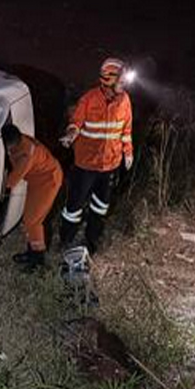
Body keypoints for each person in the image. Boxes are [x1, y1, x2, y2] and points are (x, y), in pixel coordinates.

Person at [58, 57, 134, 252]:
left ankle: (91, 241)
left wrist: (128, 154)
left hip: (110, 165)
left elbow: (126, 130)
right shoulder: (89, 99)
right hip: (86, 165)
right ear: (108, 80)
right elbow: (76, 123)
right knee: (74, 206)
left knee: (100, 206)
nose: (124, 85)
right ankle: (66, 239)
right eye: (121, 81)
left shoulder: (124, 100)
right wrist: (70, 135)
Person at [1, 124, 64, 271]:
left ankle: (38, 259)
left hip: (48, 181)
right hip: (38, 180)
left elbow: (11, 182)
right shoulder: (19, 140)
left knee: (33, 221)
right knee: (29, 217)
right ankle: (30, 252)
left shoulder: (25, 155)